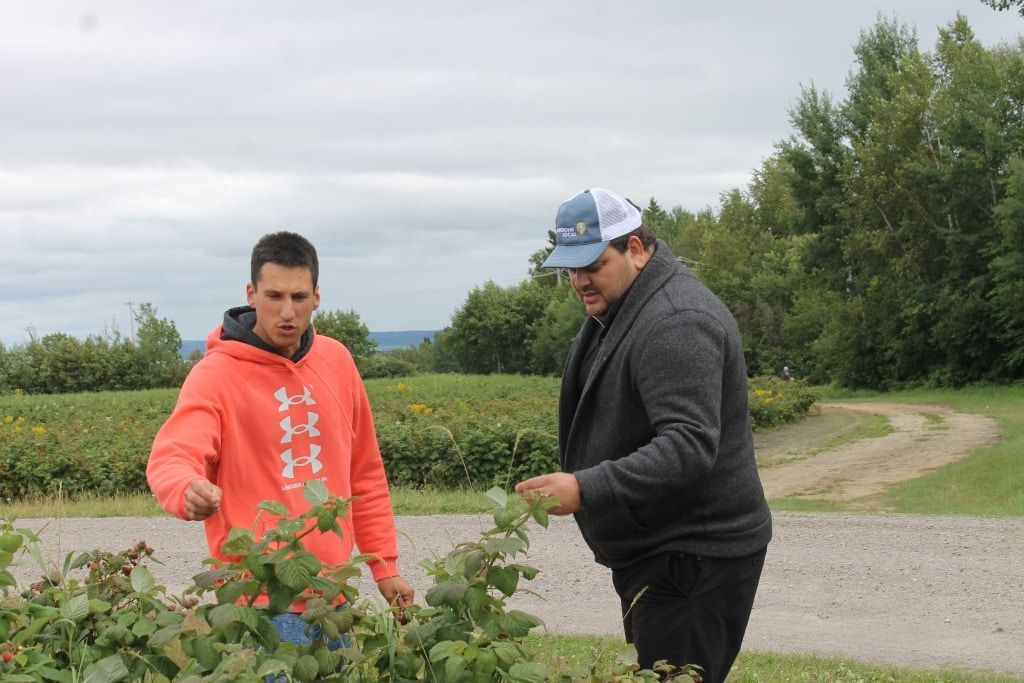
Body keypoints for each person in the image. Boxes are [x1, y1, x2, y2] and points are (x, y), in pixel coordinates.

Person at [516, 188, 771, 683]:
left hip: (694, 558)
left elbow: (689, 444)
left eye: (592, 264)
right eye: (569, 268)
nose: (579, 281)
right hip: (665, 553)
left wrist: (586, 487)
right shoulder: (623, 307)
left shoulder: (676, 320)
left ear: (635, 248)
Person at [147, 231, 414, 647]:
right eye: (274, 296)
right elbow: (174, 452)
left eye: (299, 297)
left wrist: (385, 566)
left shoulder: (336, 360)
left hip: (332, 597)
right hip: (260, 601)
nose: (287, 311)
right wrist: (185, 488)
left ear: (317, 297)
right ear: (251, 294)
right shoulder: (216, 374)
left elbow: (364, 472)